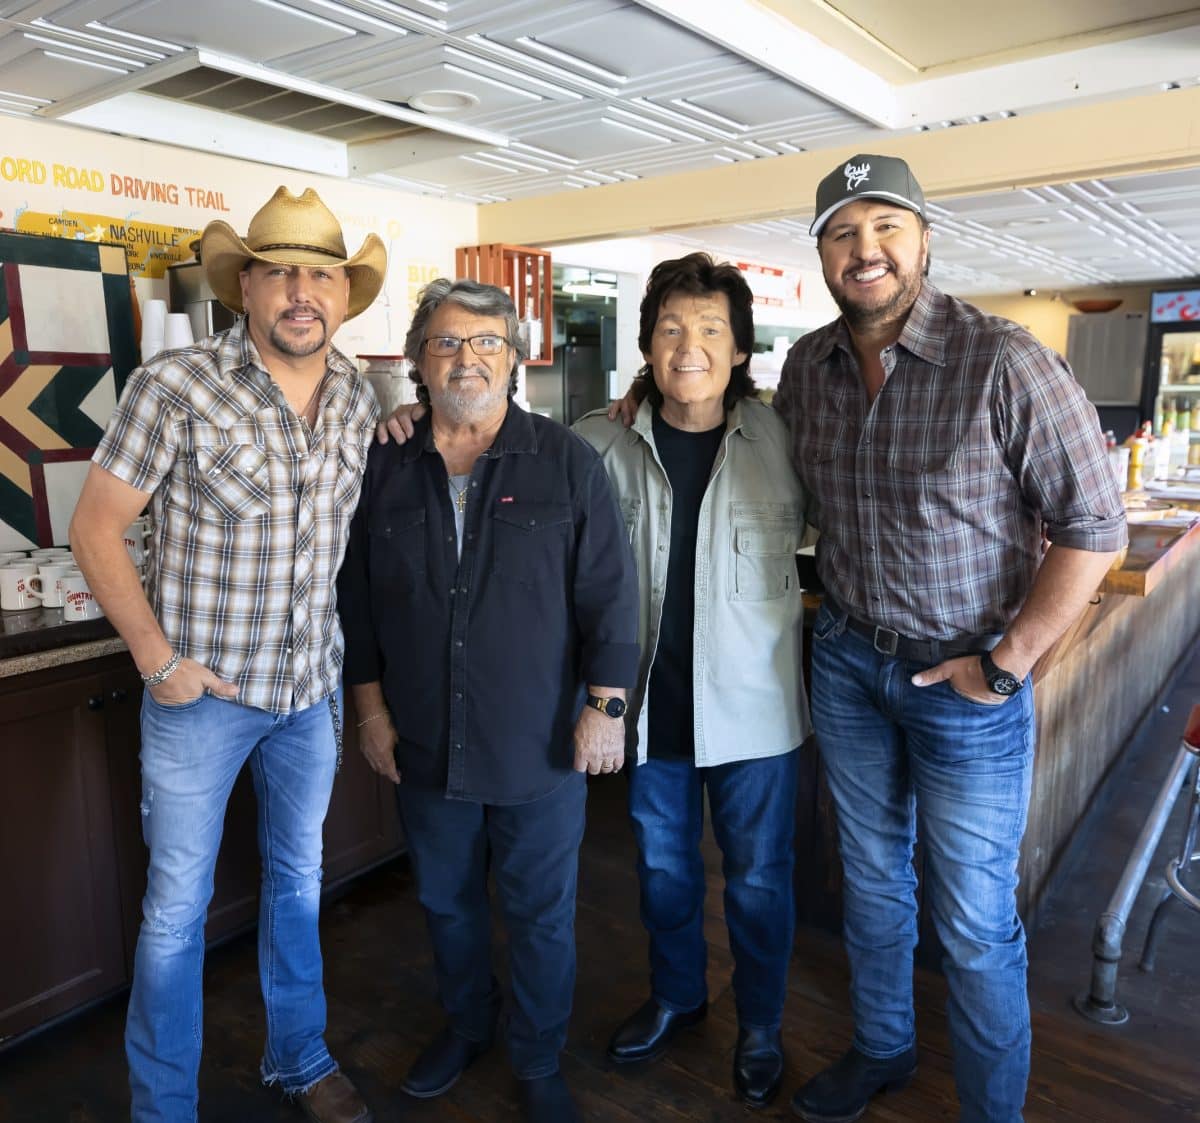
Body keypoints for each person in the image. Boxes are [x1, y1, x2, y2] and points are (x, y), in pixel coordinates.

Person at [612, 154, 1128, 1123]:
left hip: (967, 681)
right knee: (873, 884)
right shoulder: (806, 369)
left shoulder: (1004, 359)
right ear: (820, 254)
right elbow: (730, 425)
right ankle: (883, 1047)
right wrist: (646, 396)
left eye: (886, 226)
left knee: (974, 922)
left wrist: (1009, 659)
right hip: (848, 662)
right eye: (844, 233)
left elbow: (1097, 526)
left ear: (925, 239)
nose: (866, 250)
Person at [69, 186, 384, 1123]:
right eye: (280, 270)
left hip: (310, 694)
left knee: (297, 883)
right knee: (175, 913)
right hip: (197, 699)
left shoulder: (362, 397)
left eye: (320, 273)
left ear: (343, 294)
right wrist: (159, 661)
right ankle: (162, 1106)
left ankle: (300, 1055)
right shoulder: (173, 387)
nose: (301, 290)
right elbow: (96, 530)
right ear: (243, 286)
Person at [337, 279, 639, 1123]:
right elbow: (356, 603)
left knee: (541, 915)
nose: (465, 358)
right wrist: (370, 711)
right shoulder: (383, 462)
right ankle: (469, 1025)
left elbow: (612, 594)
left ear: (514, 357)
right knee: (445, 901)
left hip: (538, 742)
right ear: (418, 363)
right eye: (445, 343)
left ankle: (538, 1057)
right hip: (425, 738)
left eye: (484, 342)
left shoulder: (566, 460)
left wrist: (605, 707)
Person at [573, 253, 810, 1108]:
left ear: (741, 347)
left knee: (757, 880)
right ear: (646, 341)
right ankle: (677, 994)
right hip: (648, 716)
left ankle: (762, 1023)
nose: (690, 345)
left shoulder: (787, 440)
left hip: (754, 717)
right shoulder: (597, 441)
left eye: (711, 328)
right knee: (663, 873)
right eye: (671, 327)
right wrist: (415, 410)